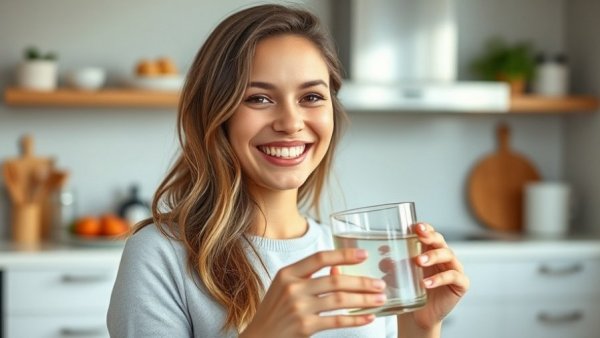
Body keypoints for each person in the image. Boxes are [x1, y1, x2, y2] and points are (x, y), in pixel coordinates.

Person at [107, 3, 469, 338]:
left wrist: (420, 327)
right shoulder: (161, 255)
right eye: (259, 98)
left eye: (311, 97)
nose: (291, 122)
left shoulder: (357, 255)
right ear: (217, 115)